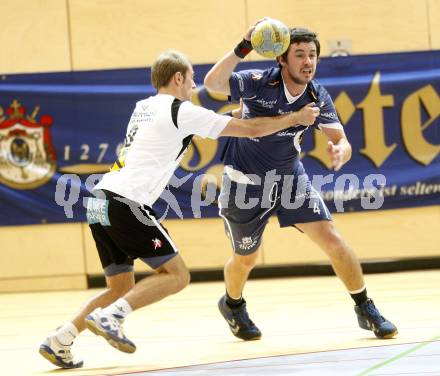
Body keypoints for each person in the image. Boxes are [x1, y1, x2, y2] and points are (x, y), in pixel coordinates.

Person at [38, 49, 319, 369]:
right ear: (178, 78)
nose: (194, 85)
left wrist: (244, 114)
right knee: (177, 275)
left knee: (120, 287)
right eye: (191, 79)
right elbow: (251, 130)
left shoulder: (143, 107)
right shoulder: (180, 110)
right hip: (125, 201)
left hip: (100, 200)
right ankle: (113, 318)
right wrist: (295, 118)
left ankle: (60, 339)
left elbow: (227, 122)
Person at [204, 23, 398, 341]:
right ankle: (233, 304)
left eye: (312, 55)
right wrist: (244, 45)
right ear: (282, 59)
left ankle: (364, 307)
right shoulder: (257, 82)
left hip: (290, 180)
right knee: (246, 258)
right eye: (299, 55)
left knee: (334, 241)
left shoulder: (316, 94)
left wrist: (341, 150)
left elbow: (341, 139)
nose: (308, 62)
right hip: (245, 185)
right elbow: (212, 83)